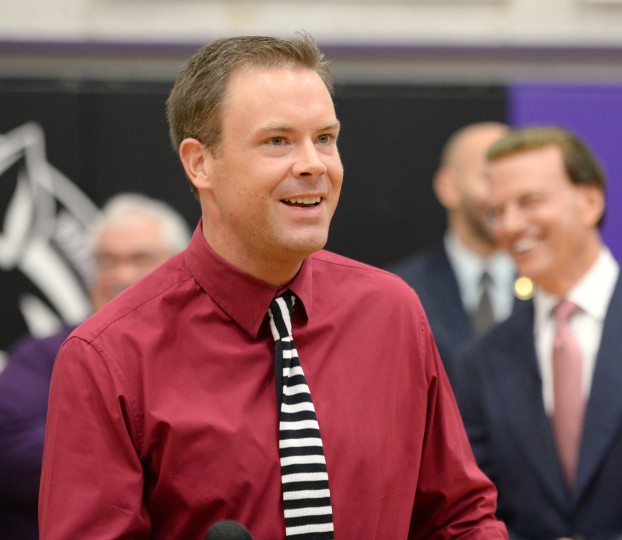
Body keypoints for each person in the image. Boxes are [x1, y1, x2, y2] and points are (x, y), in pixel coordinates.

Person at [38, 34, 508, 539]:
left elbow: (459, 518)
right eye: (277, 141)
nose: (314, 165)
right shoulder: (109, 355)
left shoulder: (391, 311)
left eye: (325, 138)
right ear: (200, 163)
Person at [454, 125, 622, 539]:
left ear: (590, 200)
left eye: (529, 202)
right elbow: (474, 508)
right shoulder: (481, 361)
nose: (510, 225)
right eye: (497, 210)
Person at [0, 192, 190, 540]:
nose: (122, 275)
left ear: (179, 267)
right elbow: (11, 452)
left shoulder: (205, 351)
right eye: (107, 261)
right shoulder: (45, 356)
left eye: (140, 259)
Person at [390, 122, 521, 378]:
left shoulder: (549, 286)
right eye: (491, 178)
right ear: (448, 187)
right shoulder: (401, 291)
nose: (506, 198)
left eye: (516, 181)